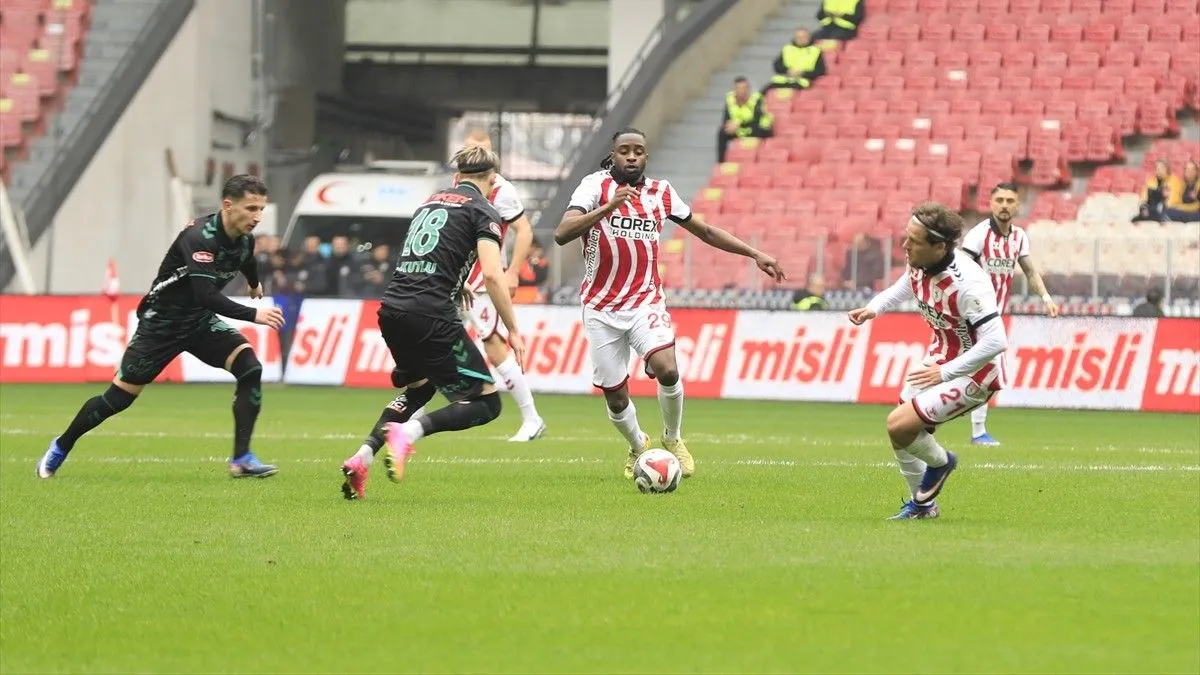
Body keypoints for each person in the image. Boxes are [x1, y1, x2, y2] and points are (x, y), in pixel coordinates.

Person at [555, 127, 786, 479]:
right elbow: (562, 233)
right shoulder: (594, 187)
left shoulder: (661, 193)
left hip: (646, 301)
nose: (631, 156)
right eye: (624, 151)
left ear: (646, 156)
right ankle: (637, 446)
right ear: (613, 154)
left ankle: (673, 438)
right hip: (601, 308)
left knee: (668, 369)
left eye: (638, 151)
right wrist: (608, 208)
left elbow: (705, 231)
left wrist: (754, 253)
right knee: (616, 399)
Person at [37, 175, 285, 479]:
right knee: (118, 399)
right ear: (228, 205)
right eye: (251, 208)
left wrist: (254, 282)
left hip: (198, 322)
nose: (258, 217)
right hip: (162, 324)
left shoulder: (245, 239)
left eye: (261, 208)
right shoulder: (199, 238)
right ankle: (61, 445)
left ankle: (241, 459)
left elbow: (246, 258)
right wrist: (253, 314)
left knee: (250, 368)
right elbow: (205, 296)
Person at [340, 146, 525, 500]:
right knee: (487, 403)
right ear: (492, 180)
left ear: (456, 178)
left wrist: (455, 289)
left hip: (392, 310)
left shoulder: (430, 201)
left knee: (419, 388)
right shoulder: (484, 211)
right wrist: (512, 329)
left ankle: (362, 457)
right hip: (430, 314)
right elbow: (492, 274)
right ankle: (407, 434)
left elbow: (431, 253)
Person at [849, 202, 1008, 520]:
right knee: (902, 433)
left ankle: (941, 463)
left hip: (974, 373)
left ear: (940, 246)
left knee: (898, 424)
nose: (905, 246)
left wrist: (945, 373)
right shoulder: (920, 263)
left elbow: (996, 341)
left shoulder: (968, 286)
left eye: (914, 240)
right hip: (938, 358)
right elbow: (905, 285)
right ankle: (923, 506)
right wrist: (874, 308)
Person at [456, 130, 546, 442]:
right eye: (471, 148)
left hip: (482, 278)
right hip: (457, 278)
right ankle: (413, 415)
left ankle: (531, 417)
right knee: (436, 337)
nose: (477, 153)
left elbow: (523, 229)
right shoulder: (459, 183)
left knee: (493, 342)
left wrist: (514, 272)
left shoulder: (501, 189)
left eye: (482, 149)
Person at [960, 182, 1058, 446]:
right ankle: (976, 431)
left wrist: (1046, 297)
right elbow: (958, 270)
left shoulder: (1019, 237)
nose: (1004, 205)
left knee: (979, 374)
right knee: (988, 373)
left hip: (994, 318)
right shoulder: (978, 235)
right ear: (991, 204)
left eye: (1010, 201)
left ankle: (970, 428)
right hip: (972, 318)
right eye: (1000, 200)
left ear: (1018, 205)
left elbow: (1029, 271)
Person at [718, 76, 774, 163]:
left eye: (744, 88)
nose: (742, 91)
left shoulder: (756, 100)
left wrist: (738, 124)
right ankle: (721, 163)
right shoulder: (730, 100)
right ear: (734, 90)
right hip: (741, 130)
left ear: (748, 89)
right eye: (739, 88)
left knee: (762, 129)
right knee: (722, 132)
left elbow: (757, 121)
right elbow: (726, 119)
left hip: (758, 130)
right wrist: (730, 125)